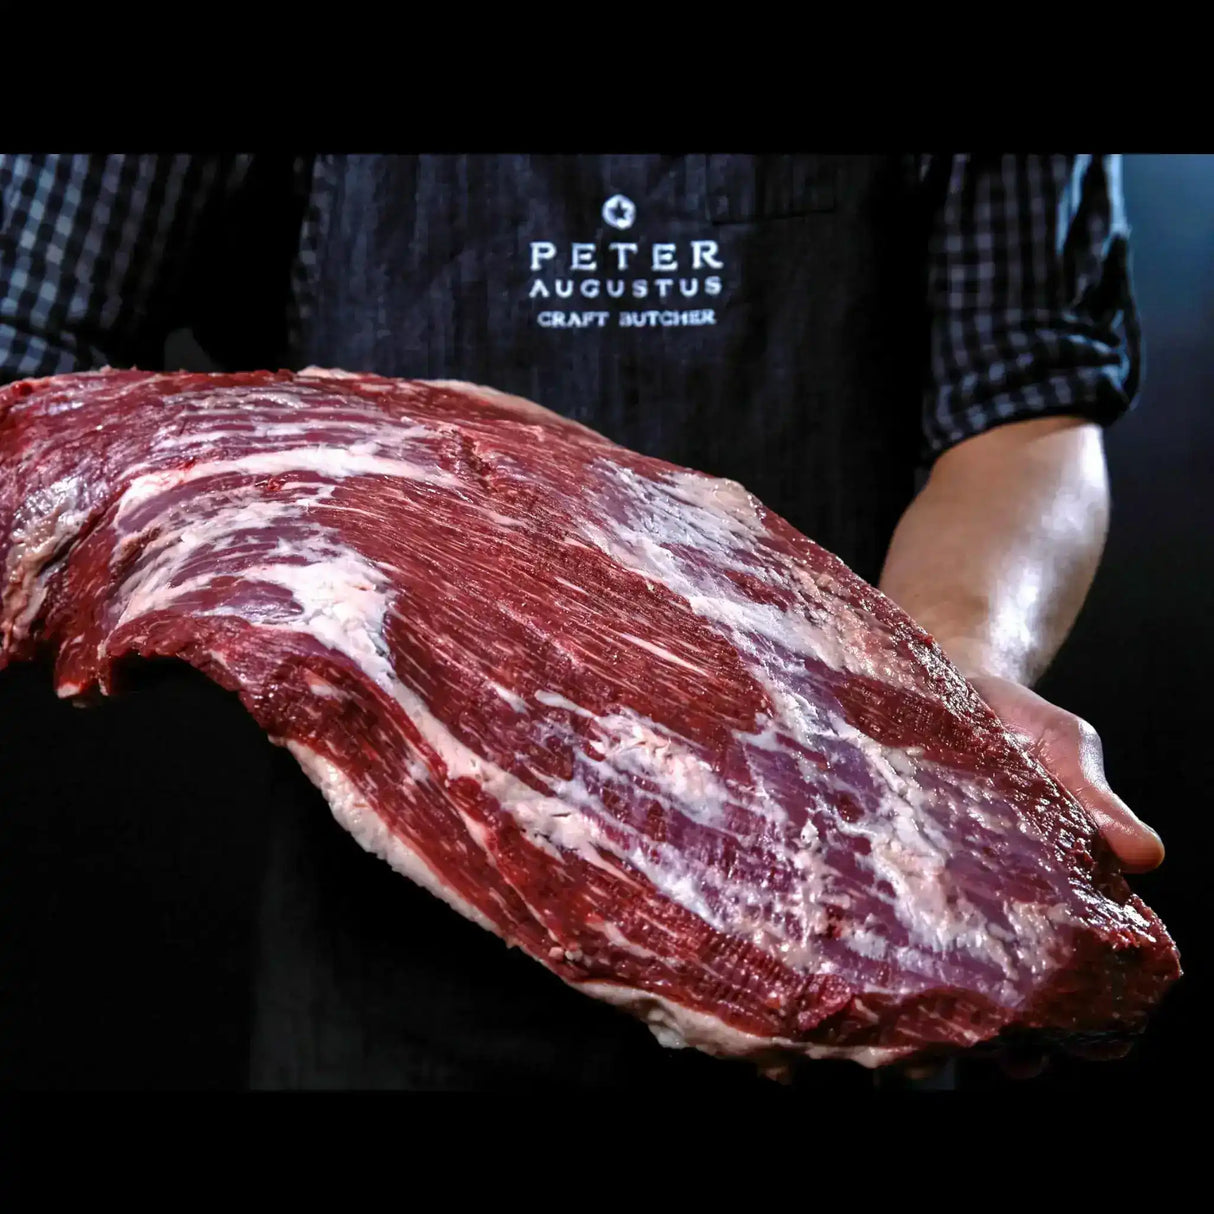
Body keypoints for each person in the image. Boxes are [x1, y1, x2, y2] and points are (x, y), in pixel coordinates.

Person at [0, 154, 1165, 1091]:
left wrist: (943, 689)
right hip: (396, 981)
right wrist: (305, 554)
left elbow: (1026, 404)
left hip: (846, 907)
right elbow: (24, 383)